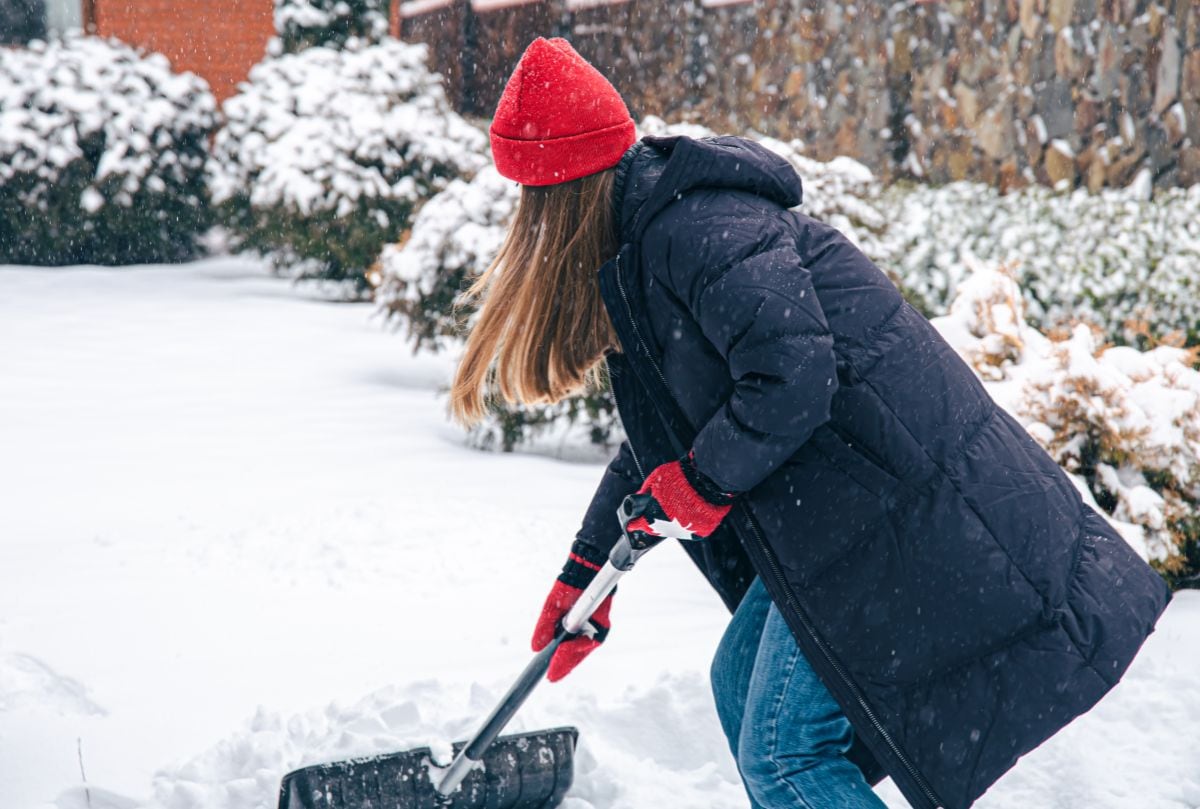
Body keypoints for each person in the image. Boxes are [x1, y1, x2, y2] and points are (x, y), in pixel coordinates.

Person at [449, 37, 1171, 809]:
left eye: (528, 201)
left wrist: (703, 482)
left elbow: (794, 374)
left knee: (784, 750)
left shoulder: (695, 230)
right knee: (743, 692)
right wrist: (586, 566)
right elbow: (668, 433)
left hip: (899, 511)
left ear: (558, 196)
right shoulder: (649, 243)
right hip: (847, 513)